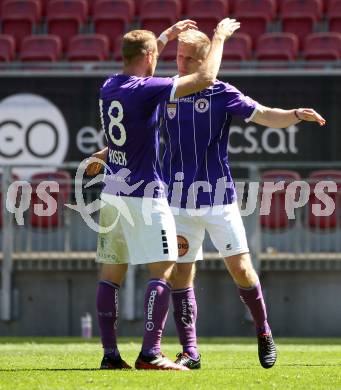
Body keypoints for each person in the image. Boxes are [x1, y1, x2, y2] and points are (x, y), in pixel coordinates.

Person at [89, 29, 326, 370]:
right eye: (177, 56)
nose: (178, 61)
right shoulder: (165, 92)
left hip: (218, 198)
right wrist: (106, 154)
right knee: (180, 279)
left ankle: (263, 331)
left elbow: (264, 114)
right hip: (175, 200)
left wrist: (292, 115)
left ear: (202, 61)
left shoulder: (220, 92)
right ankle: (190, 350)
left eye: (186, 58)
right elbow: (136, 133)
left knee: (242, 271)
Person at [90, 19, 241, 371]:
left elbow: (138, 59)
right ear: (147, 56)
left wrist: (163, 37)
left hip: (113, 191)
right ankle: (150, 353)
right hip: (144, 193)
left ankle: (111, 355)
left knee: (111, 274)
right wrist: (219, 37)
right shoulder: (147, 89)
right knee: (164, 270)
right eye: (156, 53)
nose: (161, 58)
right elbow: (204, 79)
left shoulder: (110, 85)